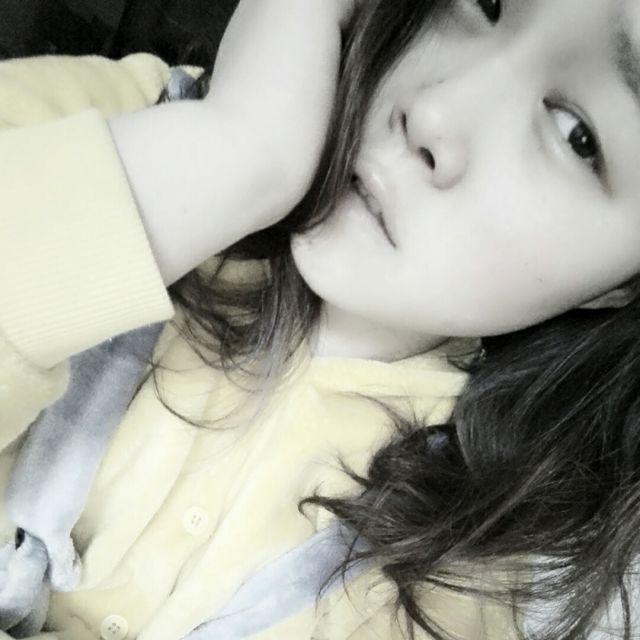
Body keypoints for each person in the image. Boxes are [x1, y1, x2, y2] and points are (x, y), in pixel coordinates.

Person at [1, 0, 640, 638]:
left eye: (576, 136)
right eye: (484, 2)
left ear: (624, 286)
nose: (433, 113)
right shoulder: (128, 119)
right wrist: (234, 152)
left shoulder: (499, 559)